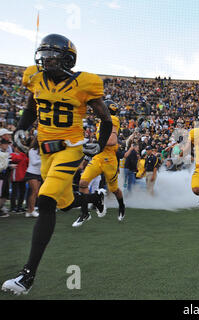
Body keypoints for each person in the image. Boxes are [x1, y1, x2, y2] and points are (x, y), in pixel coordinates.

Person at [2, 34, 113, 295]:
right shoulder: (34, 77)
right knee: (64, 204)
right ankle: (93, 199)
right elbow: (31, 108)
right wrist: (20, 128)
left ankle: (27, 276)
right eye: (44, 55)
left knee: (46, 199)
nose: (46, 60)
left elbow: (105, 119)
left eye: (52, 55)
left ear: (67, 58)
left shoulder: (85, 83)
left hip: (70, 149)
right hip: (45, 151)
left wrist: (99, 142)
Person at [72, 100, 125, 226]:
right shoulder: (101, 122)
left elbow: (112, 140)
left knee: (114, 189)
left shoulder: (112, 119)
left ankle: (121, 206)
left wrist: (94, 144)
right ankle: (85, 213)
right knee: (83, 182)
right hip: (98, 157)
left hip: (109, 160)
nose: (97, 109)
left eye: (101, 107)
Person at [9, 143, 29, 213]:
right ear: (14, 148)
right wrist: (23, 154)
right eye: (18, 147)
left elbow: (27, 161)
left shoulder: (23, 155)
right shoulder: (12, 155)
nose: (19, 149)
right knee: (14, 192)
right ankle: (13, 207)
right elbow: (17, 159)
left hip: (23, 176)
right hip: (16, 176)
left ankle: (19, 206)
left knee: (22, 192)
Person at [24, 137, 41, 218]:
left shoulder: (43, 151)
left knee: (35, 192)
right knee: (34, 192)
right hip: (31, 173)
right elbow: (34, 163)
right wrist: (44, 159)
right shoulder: (32, 151)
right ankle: (32, 210)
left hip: (39, 174)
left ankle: (29, 210)